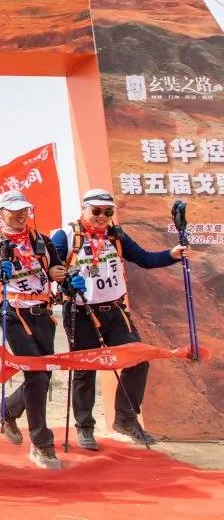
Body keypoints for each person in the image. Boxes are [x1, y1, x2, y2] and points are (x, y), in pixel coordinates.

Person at [51, 188, 187, 450]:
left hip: (114, 310)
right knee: (85, 370)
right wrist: (66, 280)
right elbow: (51, 268)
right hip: (81, 311)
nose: (102, 217)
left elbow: (145, 259)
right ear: (84, 209)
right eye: (96, 211)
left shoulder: (116, 235)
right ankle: (84, 427)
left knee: (138, 359)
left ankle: (125, 419)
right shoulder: (66, 235)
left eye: (108, 212)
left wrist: (172, 255)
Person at [0, 190, 67, 469]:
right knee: (36, 373)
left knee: (43, 375)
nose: (20, 214)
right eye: (14, 209)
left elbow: (57, 269)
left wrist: (60, 274)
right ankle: (41, 443)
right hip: (13, 313)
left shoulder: (42, 241)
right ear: (0, 213)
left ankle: (7, 410)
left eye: (24, 209)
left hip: (43, 312)